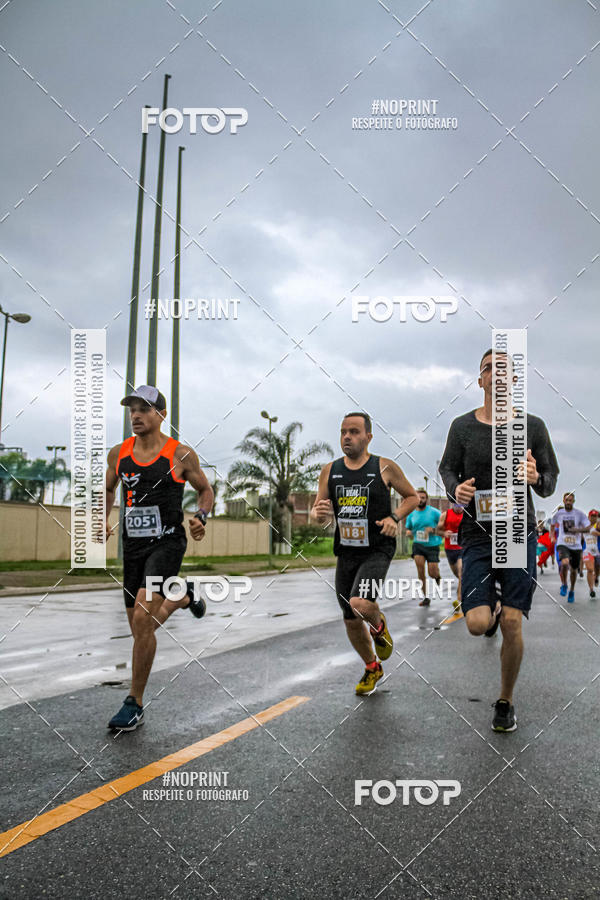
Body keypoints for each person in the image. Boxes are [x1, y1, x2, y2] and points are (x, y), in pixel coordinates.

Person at [439, 349, 559, 733]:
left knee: (511, 620)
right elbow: (446, 468)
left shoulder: (533, 428)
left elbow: (550, 481)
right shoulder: (462, 427)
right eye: (490, 369)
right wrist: (455, 488)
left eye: (506, 370)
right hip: (476, 534)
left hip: (518, 534)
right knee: (476, 624)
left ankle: (505, 700)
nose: (498, 375)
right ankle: (484, 609)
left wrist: (535, 476)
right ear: (481, 381)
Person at [104, 385, 214, 731]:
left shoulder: (179, 454)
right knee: (142, 625)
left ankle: (133, 702)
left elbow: (205, 490)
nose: (136, 415)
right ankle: (182, 598)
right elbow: (108, 487)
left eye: (144, 409)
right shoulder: (118, 454)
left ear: (161, 415)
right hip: (133, 547)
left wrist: (201, 517)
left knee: (141, 619)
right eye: (132, 409)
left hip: (167, 543)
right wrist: (103, 518)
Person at [311, 412, 418, 695]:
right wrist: (319, 513)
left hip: (377, 549)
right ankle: (372, 667)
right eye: (344, 431)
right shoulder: (330, 471)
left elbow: (412, 497)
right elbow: (318, 513)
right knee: (349, 617)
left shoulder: (383, 467)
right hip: (346, 551)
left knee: (360, 603)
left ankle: (379, 626)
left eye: (355, 431)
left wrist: (395, 518)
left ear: (368, 437)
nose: (347, 436)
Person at [405, 489, 443, 607]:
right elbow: (408, 528)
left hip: (432, 545)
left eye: (423, 497)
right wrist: (408, 533)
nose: (420, 500)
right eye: (419, 497)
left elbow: (443, 527)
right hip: (418, 545)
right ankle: (425, 597)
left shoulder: (435, 512)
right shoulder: (411, 514)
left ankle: (437, 576)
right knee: (420, 570)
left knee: (432, 572)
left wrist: (433, 530)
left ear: (427, 499)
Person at [551, 493, 590, 603]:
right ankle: (564, 584)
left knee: (573, 570)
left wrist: (576, 530)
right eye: (566, 500)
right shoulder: (559, 513)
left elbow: (588, 528)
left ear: (573, 501)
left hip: (576, 546)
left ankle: (572, 590)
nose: (568, 502)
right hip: (563, 543)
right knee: (564, 563)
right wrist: (551, 536)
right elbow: (552, 524)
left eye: (570, 500)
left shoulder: (579, 514)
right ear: (563, 501)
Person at [437, 503, 464, 609]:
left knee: (461, 572)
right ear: (453, 504)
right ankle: (466, 586)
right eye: (457, 505)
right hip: (450, 550)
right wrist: (444, 533)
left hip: (462, 549)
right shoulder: (445, 515)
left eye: (462, 505)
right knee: (458, 574)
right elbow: (437, 530)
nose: (459, 507)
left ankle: (459, 600)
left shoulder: (467, 515)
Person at [583, 510, 600, 598]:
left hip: (596, 551)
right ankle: (591, 589)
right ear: (589, 517)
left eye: (595, 516)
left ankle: (596, 577)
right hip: (587, 551)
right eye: (592, 516)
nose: (593, 518)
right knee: (590, 569)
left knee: (597, 569)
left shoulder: (597, 525)